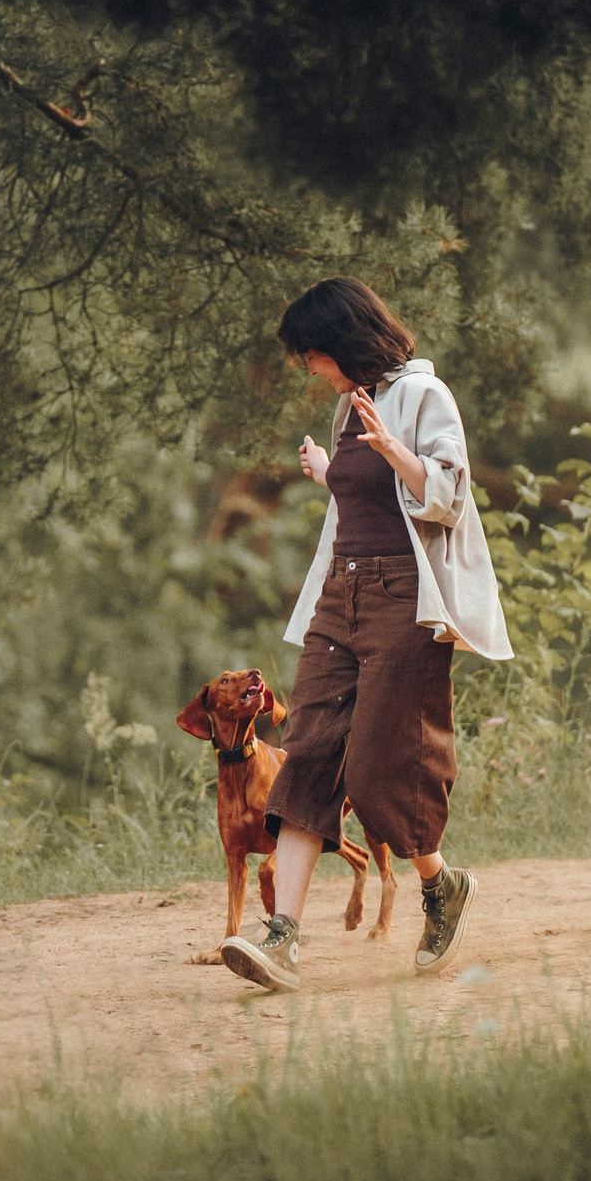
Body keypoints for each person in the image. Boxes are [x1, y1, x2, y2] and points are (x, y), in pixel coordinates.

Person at [220, 277, 513, 992]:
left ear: (342, 342)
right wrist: (333, 474)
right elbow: (369, 505)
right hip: (340, 595)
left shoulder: (423, 396)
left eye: (312, 356)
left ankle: (441, 885)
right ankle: (282, 938)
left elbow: (445, 496)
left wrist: (393, 451)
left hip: (404, 600)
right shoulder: (347, 409)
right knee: (309, 753)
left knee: (382, 765)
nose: (311, 370)